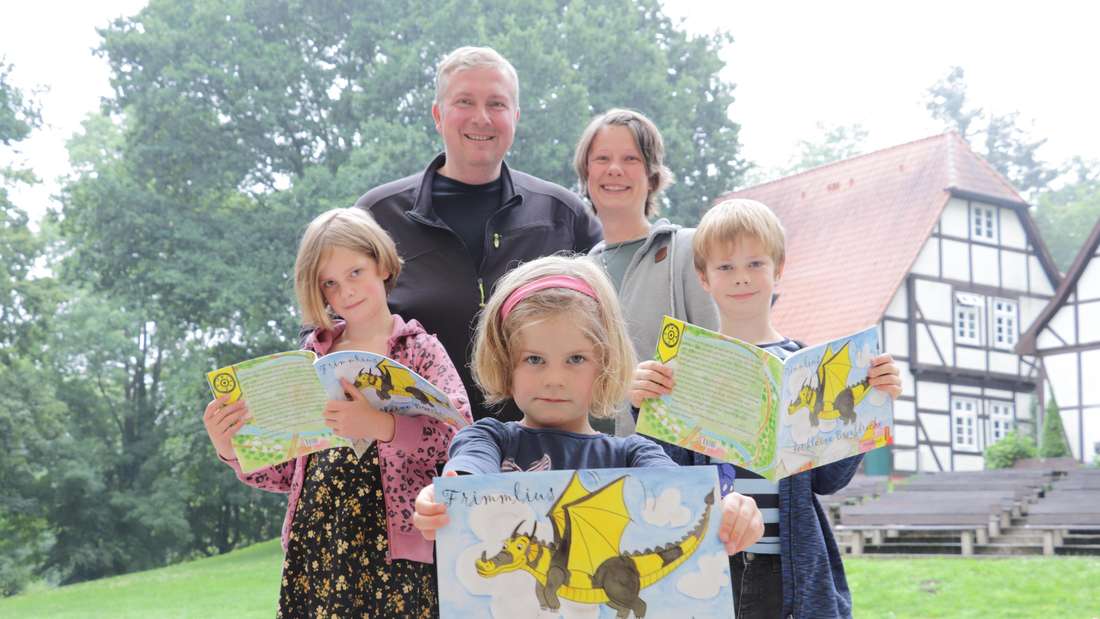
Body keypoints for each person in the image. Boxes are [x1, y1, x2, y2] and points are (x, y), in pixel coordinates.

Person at [629, 199, 903, 619]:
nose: (741, 277)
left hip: (790, 570)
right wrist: (645, 407)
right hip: (712, 560)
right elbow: (672, 478)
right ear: (703, 277)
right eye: (725, 267)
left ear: (779, 269)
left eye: (755, 263)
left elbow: (828, 480)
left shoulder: (811, 369)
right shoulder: (686, 366)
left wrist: (870, 405)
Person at [202, 208, 472, 618]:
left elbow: (460, 436)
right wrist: (231, 449)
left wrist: (382, 425)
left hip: (395, 554)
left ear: (382, 265)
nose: (346, 291)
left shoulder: (419, 348)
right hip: (315, 548)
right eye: (329, 283)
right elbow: (284, 471)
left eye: (355, 272)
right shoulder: (310, 358)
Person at [411, 255, 765, 562]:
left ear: (604, 364)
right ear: (505, 363)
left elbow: (685, 500)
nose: (554, 379)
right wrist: (442, 501)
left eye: (575, 359)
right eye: (534, 359)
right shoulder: (487, 439)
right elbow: (467, 477)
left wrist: (732, 511)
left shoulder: (634, 455)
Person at [356, 46, 601, 423]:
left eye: (497, 104)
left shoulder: (562, 215)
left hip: (543, 448)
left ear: (515, 116)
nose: (481, 117)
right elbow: (327, 330)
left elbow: (617, 319)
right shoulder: (379, 216)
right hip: (411, 448)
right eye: (465, 102)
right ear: (438, 115)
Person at [574, 108, 718, 436]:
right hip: (593, 456)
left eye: (630, 159)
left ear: (652, 176)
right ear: (586, 173)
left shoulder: (689, 250)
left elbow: (720, 363)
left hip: (671, 456)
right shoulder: (577, 277)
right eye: (602, 158)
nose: (614, 169)